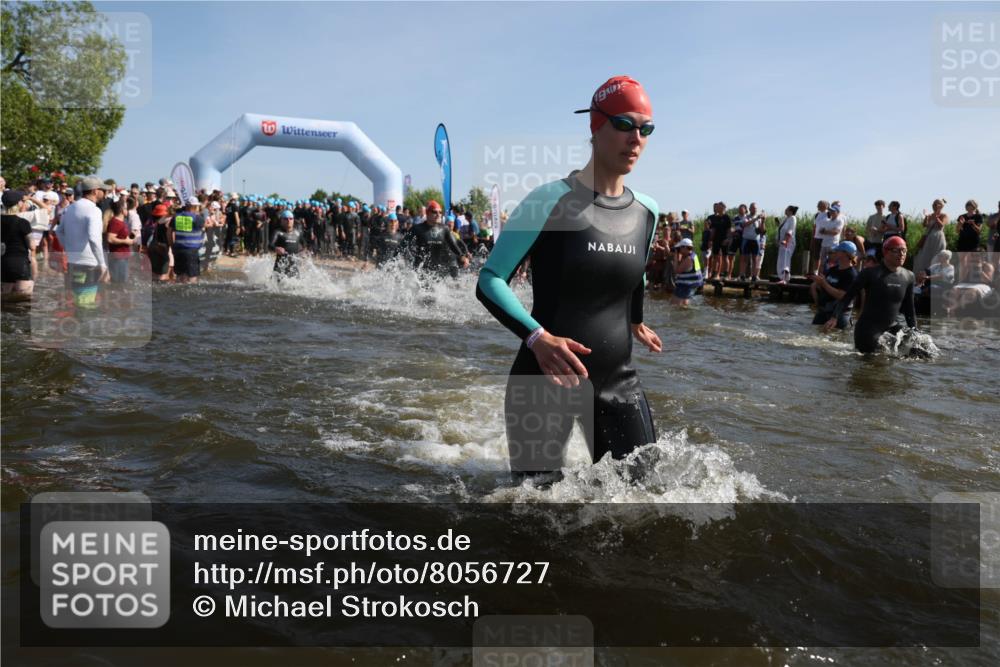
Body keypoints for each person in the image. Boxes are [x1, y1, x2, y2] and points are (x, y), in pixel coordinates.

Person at [476, 75, 663, 478]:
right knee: (536, 519)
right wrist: (536, 337)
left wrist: (636, 320)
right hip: (542, 380)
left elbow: (638, 275)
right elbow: (490, 279)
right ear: (596, 126)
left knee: (646, 501)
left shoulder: (647, 211)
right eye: (625, 125)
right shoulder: (549, 200)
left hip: (618, 382)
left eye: (646, 129)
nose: (637, 138)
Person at [826, 234, 916, 353]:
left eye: (904, 250)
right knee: (871, 363)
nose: (901, 254)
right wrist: (834, 317)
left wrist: (915, 331)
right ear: (886, 252)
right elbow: (848, 297)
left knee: (922, 350)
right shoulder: (870, 273)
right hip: (868, 329)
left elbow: (909, 309)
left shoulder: (908, 276)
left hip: (892, 328)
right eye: (896, 250)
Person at [56, 175, 110, 306]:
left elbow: (58, 231)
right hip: (89, 264)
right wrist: (102, 264)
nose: (105, 193)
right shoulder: (94, 210)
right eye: (103, 189)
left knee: (77, 299)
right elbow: (94, 238)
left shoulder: (70, 208)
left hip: (72, 262)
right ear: (95, 191)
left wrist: (69, 248)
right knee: (87, 303)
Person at [401, 200, 469, 278]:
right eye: (434, 212)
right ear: (427, 213)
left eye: (440, 212)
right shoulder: (417, 228)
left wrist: (462, 256)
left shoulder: (444, 229)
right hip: (420, 270)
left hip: (438, 270)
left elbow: (452, 244)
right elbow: (403, 245)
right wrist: (397, 261)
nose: (438, 215)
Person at [811, 240, 858, 330]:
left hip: (838, 316)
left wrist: (823, 283)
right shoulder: (832, 270)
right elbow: (825, 289)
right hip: (823, 311)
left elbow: (842, 296)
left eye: (837, 251)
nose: (834, 252)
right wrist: (818, 283)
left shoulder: (851, 274)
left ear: (845, 254)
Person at [1, 190, 37, 299]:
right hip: (19, 263)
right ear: (18, 203)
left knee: (4, 300)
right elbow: (32, 246)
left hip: (2, 263)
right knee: (23, 301)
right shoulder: (22, 222)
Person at [168, 197, 205, 284]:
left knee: (180, 276)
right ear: (195, 206)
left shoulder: (176, 217)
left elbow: (169, 232)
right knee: (192, 277)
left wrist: (172, 246)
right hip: (191, 251)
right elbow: (203, 230)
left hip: (178, 250)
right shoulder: (198, 218)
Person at [913, 198, 948, 278]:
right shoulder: (930, 215)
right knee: (924, 257)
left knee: (936, 256)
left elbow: (941, 226)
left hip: (938, 238)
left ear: (941, 206)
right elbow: (924, 225)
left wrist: (936, 217)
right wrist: (926, 217)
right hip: (928, 238)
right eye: (933, 204)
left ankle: (935, 277)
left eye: (936, 204)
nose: (934, 206)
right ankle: (921, 277)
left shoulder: (944, 215)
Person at [270, 209, 306, 280]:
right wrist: (276, 248)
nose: (288, 221)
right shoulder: (278, 232)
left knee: (297, 285)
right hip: (280, 265)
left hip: (293, 265)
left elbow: (304, 244)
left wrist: (303, 252)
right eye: (286, 219)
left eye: (290, 219)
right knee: (275, 288)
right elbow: (270, 244)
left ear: (293, 220)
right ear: (282, 221)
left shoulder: (298, 232)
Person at [105, 198, 135, 283]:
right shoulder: (115, 222)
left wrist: (130, 236)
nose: (127, 210)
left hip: (122, 256)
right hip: (118, 257)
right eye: (126, 208)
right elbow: (110, 239)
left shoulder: (120, 222)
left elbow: (120, 236)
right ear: (122, 210)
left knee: (122, 281)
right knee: (119, 282)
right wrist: (126, 241)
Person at [956, 199, 983, 282]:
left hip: (973, 242)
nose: (969, 207)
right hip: (962, 241)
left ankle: (972, 280)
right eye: (967, 205)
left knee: (972, 262)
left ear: (974, 206)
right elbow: (957, 230)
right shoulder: (961, 216)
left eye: (970, 205)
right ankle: (961, 280)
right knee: (962, 263)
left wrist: (973, 224)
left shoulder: (978, 216)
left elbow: (979, 230)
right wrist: (961, 223)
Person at [145, 204, 172, 282]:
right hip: (162, 248)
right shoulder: (167, 222)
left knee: (154, 273)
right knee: (163, 274)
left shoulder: (156, 222)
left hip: (152, 246)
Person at [671, 238, 702, 306]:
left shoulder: (688, 259)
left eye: (680, 248)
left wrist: (675, 256)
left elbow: (676, 270)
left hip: (686, 286)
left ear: (685, 247)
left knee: (675, 305)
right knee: (684, 305)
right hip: (690, 285)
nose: (679, 250)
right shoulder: (693, 255)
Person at [706, 201, 731, 280]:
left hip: (724, 239)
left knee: (725, 257)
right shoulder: (715, 218)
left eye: (720, 207)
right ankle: (715, 273)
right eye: (718, 207)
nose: (718, 208)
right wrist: (710, 240)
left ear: (723, 207)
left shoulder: (727, 217)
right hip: (716, 239)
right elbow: (713, 230)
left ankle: (726, 275)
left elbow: (729, 229)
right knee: (715, 257)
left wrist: (728, 239)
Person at [816, 202, 844, 270]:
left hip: (833, 244)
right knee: (822, 263)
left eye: (833, 211)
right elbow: (820, 231)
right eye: (830, 211)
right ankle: (820, 278)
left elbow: (835, 232)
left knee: (832, 262)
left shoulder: (839, 221)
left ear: (837, 212)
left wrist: (825, 231)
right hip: (824, 244)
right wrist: (829, 231)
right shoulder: (827, 221)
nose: (831, 212)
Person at [776, 205, 798, 284]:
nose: (785, 210)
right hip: (782, 242)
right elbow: (781, 229)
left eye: (787, 209)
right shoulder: (786, 219)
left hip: (788, 242)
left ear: (790, 211)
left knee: (785, 260)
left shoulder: (792, 218)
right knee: (781, 260)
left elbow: (790, 230)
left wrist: (786, 240)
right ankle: (782, 277)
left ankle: (785, 279)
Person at [809, 200, 830, 275]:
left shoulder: (829, 214)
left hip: (825, 238)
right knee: (816, 256)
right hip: (817, 237)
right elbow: (814, 227)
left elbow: (832, 224)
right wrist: (812, 238)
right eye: (818, 204)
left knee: (824, 256)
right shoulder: (817, 214)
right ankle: (815, 272)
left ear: (825, 205)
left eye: (819, 204)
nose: (818, 206)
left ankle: (824, 272)